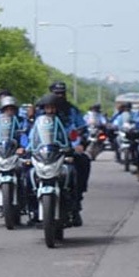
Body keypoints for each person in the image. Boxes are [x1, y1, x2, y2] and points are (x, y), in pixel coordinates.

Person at [27, 93, 82, 225]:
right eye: (47, 108)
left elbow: (72, 135)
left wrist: (74, 146)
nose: (50, 110)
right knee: (27, 175)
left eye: (53, 108)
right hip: (44, 155)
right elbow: (31, 137)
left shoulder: (64, 121)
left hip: (61, 154)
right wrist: (26, 148)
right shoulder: (38, 122)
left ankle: (74, 209)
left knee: (73, 173)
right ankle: (32, 209)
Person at [48, 81, 90, 223]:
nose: (59, 96)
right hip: (46, 151)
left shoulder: (72, 110)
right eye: (56, 94)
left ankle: (76, 202)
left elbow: (82, 128)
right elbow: (31, 131)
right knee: (25, 169)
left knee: (83, 161)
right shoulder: (41, 111)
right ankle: (31, 206)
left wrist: (80, 143)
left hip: (67, 149)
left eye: (62, 93)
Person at [0, 95, 26, 216]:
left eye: (12, 109)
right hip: (1, 153)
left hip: (15, 154)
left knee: (24, 173)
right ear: (2, 110)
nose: (9, 111)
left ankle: (23, 202)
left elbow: (24, 136)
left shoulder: (20, 121)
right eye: (7, 109)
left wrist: (23, 147)